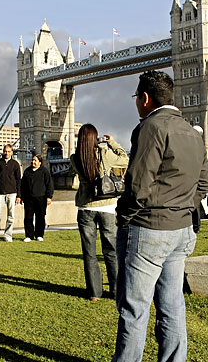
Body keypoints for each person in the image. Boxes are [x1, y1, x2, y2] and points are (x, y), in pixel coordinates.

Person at [113, 70, 208, 361]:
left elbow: (139, 187)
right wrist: (181, 206)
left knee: (135, 309)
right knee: (172, 306)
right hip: (182, 231)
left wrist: (123, 214)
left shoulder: (150, 128)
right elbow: (204, 183)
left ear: (144, 98)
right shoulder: (193, 132)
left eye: (136, 98)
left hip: (148, 229)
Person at [70, 123, 129, 301]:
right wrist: (111, 143)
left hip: (86, 207)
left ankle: (95, 293)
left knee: (89, 252)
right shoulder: (104, 153)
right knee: (111, 250)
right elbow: (124, 158)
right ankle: (116, 290)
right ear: (95, 138)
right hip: (107, 206)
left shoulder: (75, 158)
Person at [0, 144, 21, 243]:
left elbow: (18, 180)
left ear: (12, 152)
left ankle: (8, 235)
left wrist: (19, 195)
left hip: (12, 192)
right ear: (3, 151)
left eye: (9, 151)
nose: (7, 153)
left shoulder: (15, 164)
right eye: (5, 151)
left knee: (11, 215)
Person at [20, 154, 54, 242]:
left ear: (40, 162)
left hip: (41, 197)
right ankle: (29, 235)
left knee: (40, 217)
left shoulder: (44, 171)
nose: (33, 162)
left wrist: (49, 197)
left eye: (35, 160)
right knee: (28, 217)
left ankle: (39, 235)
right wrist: (21, 196)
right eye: (33, 160)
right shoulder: (27, 171)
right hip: (29, 198)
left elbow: (49, 185)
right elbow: (22, 185)